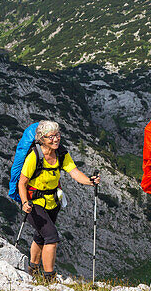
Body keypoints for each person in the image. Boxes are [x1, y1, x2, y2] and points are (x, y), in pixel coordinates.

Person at [18, 120, 100, 282]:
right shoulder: (34, 156)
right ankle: (49, 277)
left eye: (57, 135)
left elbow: (74, 172)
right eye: (51, 137)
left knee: (41, 236)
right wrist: (24, 202)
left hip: (53, 201)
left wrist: (90, 181)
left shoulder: (61, 153)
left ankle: (33, 269)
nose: (56, 139)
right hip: (34, 203)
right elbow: (22, 182)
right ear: (42, 139)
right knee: (51, 237)